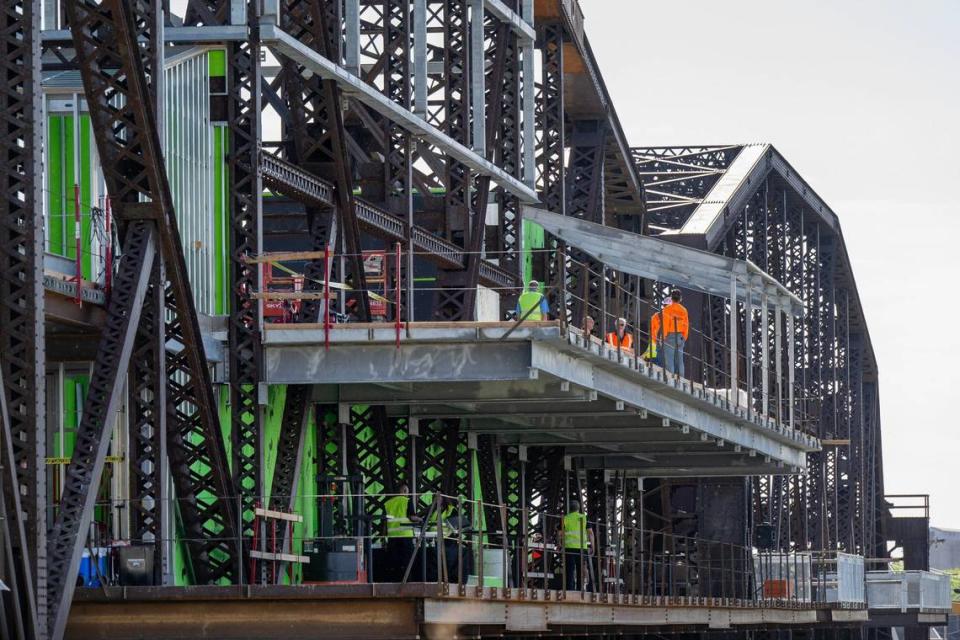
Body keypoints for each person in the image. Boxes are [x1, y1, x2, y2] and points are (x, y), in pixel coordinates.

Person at [383, 483, 421, 581]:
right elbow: (412, 517)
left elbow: (384, 522)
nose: (408, 494)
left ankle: (394, 583)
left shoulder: (388, 503)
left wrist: (384, 538)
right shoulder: (407, 501)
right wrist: (420, 519)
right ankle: (407, 583)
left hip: (392, 537)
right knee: (408, 562)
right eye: (407, 492)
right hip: (405, 536)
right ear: (403, 491)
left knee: (395, 563)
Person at [650, 289, 689, 377]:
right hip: (680, 337)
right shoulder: (684, 310)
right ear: (680, 299)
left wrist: (662, 337)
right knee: (679, 360)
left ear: (671, 298)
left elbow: (665, 325)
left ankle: (670, 378)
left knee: (669, 360)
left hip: (670, 336)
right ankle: (681, 378)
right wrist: (684, 337)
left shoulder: (667, 309)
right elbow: (686, 325)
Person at [559, 500, 595, 591]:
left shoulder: (565, 518)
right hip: (582, 549)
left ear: (569, 509)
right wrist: (593, 547)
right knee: (581, 570)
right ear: (578, 508)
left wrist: (559, 544)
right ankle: (580, 589)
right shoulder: (584, 518)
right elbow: (590, 533)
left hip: (569, 548)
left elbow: (559, 533)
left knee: (569, 570)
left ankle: (569, 590)